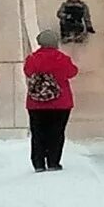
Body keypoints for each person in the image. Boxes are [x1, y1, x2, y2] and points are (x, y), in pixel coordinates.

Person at [23, 30, 79, 172]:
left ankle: (39, 163)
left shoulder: (32, 59)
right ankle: (53, 162)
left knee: (38, 133)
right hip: (60, 102)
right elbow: (72, 72)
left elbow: (28, 72)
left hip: (36, 103)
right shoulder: (62, 58)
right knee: (56, 132)